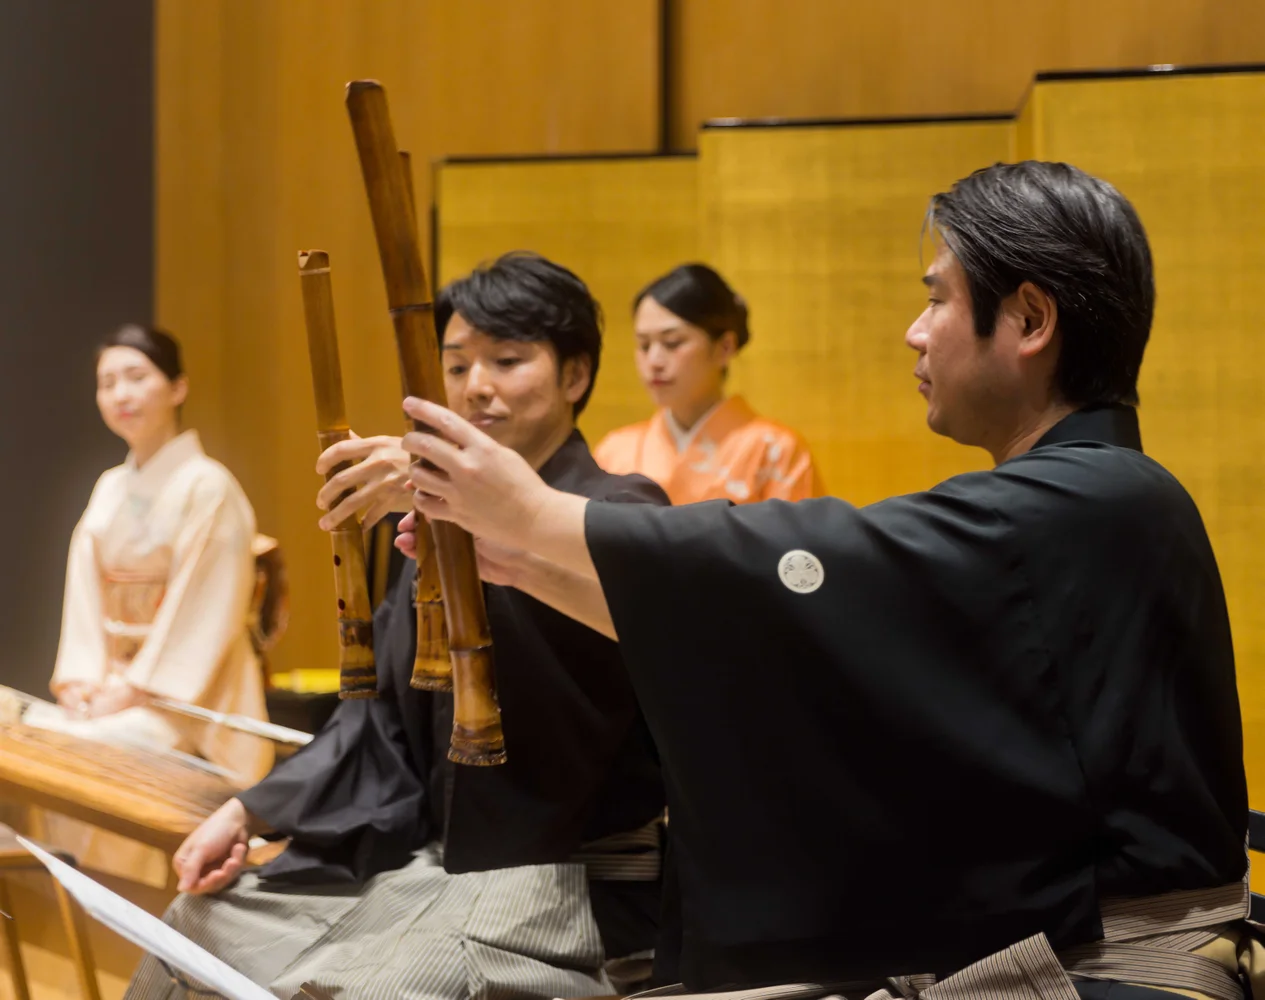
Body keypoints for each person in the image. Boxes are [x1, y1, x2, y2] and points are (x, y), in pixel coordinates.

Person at [395, 163, 1252, 999]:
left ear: (1028, 318)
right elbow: (768, 636)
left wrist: (535, 520)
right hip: (1042, 945)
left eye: (935, 298)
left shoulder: (1101, 497)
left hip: (1112, 972)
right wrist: (511, 557)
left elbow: (807, 561)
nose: (915, 331)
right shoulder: (1082, 501)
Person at [126, 252, 670, 1000]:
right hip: (434, 867)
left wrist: (474, 527)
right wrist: (248, 808)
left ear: (574, 376)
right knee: (195, 925)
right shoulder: (428, 531)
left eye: (507, 360)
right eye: (456, 364)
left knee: (370, 987)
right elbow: (375, 719)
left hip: (564, 878)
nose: (476, 385)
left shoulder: (620, 513)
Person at [20, 325, 271, 884]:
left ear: (177, 387)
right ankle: (69, 924)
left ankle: (124, 912)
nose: (121, 394)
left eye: (137, 377)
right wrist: (83, 681)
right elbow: (85, 594)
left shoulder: (208, 486)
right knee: (35, 734)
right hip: (114, 686)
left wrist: (135, 690)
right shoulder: (110, 485)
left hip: (190, 699)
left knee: (93, 751)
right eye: (108, 382)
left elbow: (202, 615)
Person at [594, 263, 824, 503]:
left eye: (672, 342)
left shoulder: (777, 452)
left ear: (724, 348)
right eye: (644, 345)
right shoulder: (614, 452)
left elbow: (799, 539)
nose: (654, 361)